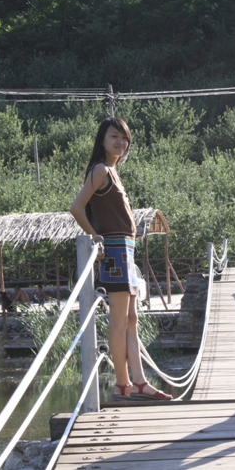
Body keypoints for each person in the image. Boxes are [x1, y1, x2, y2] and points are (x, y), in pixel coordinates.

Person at [70, 117, 171, 401]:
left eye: (125, 138)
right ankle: (124, 384)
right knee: (119, 321)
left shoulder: (112, 172)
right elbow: (76, 208)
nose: (121, 142)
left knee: (131, 318)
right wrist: (96, 238)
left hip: (125, 249)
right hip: (113, 250)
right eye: (115, 136)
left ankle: (137, 381)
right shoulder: (101, 170)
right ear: (102, 140)